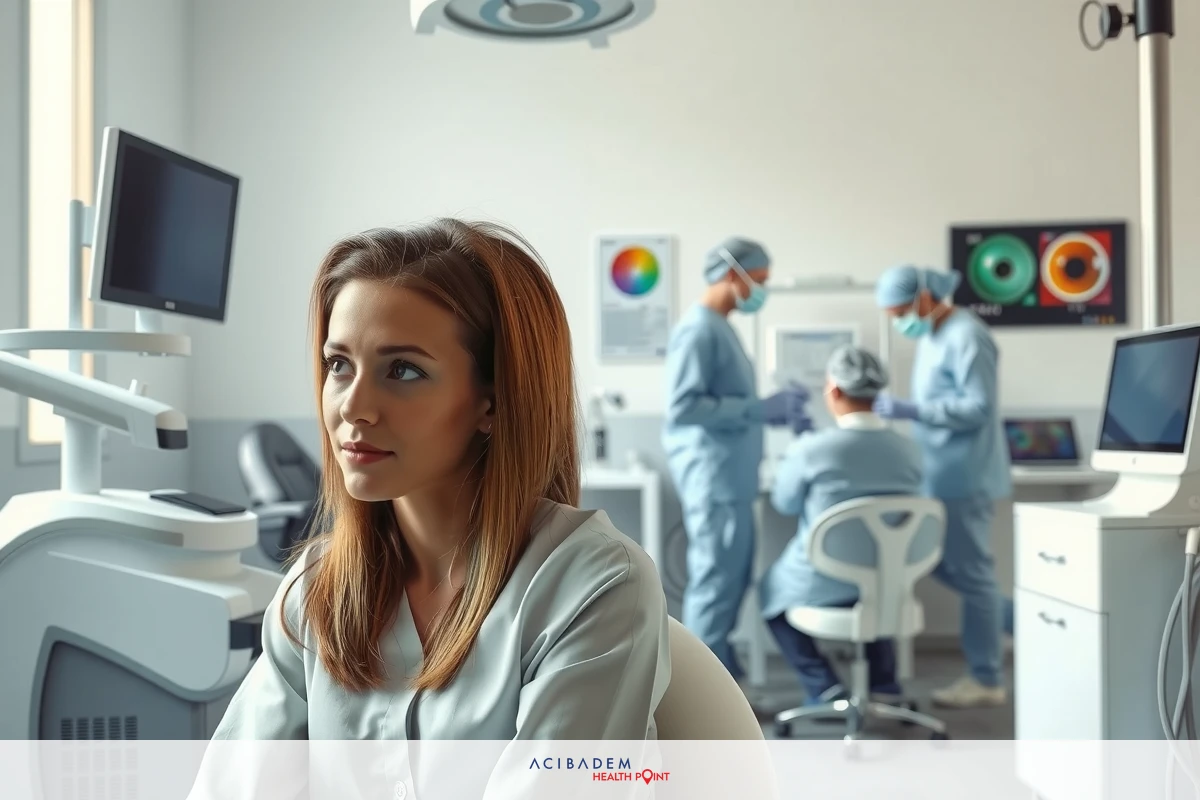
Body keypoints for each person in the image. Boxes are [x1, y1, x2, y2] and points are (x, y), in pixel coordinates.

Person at [212, 219, 671, 740]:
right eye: (339, 365)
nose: (353, 408)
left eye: (403, 370)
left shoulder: (593, 586)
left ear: (493, 402)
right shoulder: (313, 592)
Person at [662, 236, 811, 679]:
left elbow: (725, 402)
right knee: (715, 586)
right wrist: (758, 409)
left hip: (731, 478)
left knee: (731, 582)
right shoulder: (698, 329)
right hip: (715, 478)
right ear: (732, 275)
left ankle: (719, 687)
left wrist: (772, 412)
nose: (761, 291)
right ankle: (698, 701)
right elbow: (684, 407)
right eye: (759, 281)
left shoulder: (720, 327)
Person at [873, 264, 1011, 708]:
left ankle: (987, 678)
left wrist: (913, 411)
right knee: (935, 562)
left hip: (964, 475)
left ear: (926, 298)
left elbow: (977, 407)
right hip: (939, 474)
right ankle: (1024, 621)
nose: (900, 322)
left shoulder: (968, 336)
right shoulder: (935, 336)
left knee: (974, 578)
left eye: (901, 312)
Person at [760, 345, 922, 704]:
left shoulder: (813, 449)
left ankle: (822, 686)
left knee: (769, 591)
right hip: (887, 579)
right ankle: (884, 685)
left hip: (825, 578)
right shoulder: (909, 449)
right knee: (873, 577)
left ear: (833, 391)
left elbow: (784, 503)